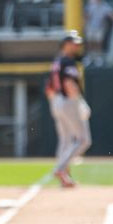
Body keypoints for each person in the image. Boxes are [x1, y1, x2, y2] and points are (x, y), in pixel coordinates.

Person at [49, 31, 92, 188]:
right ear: (66, 44)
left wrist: (56, 105)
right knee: (83, 140)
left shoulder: (57, 62)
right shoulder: (67, 61)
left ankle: (64, 177)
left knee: (66, 140)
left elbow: (50, 88)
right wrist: (79, 101)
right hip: (68, 100)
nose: (76, 46)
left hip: (57, 101)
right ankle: (61, 169)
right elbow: (69, 84)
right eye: (73, 43)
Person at [84, 0, 113, 66]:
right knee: (89, 42)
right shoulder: (91, 5)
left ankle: (97, 57)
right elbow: (87, 15)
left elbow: (112, 14)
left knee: (98, 43)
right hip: (90, 26)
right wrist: (85, 24)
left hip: (100, 27)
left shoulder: (105, 6)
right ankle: (89, 56)